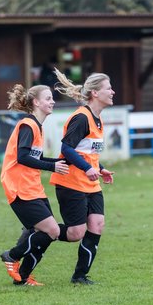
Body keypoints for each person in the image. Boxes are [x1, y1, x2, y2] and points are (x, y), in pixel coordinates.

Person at [49, 68, 115, 285]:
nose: (113, 92)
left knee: (97, 225)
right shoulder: (81, 117)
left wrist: (100, 168)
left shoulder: (98, 119)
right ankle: (39, 230)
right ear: (95, 93)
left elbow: (87, 153)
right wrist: (87, 169)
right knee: (76, 233)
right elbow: (67, 149)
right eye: (108, 88)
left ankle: (79, 276)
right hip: (71, 182)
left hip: (90, 183)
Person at [0, 83, 69, 286]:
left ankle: (23, 276)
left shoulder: (37, 126)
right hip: (19, 188)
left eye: (52, 98)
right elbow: (22, 157)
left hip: (32, 187)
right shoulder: (28, 125)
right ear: (36, 102)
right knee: (53, 231)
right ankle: (11, 256)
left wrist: (56, 162)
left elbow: (35, 156)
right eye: (48, 98)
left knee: (44, 233)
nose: (52, 101)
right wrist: (53, 168)